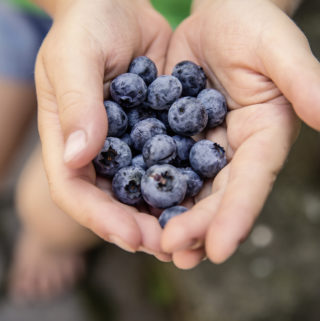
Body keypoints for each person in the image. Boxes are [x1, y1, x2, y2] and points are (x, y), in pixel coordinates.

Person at [3, 0, 320, 299]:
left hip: (180, 29)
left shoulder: (167, 143)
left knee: (49, 212)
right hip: (35, 14)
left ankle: (48, 239)